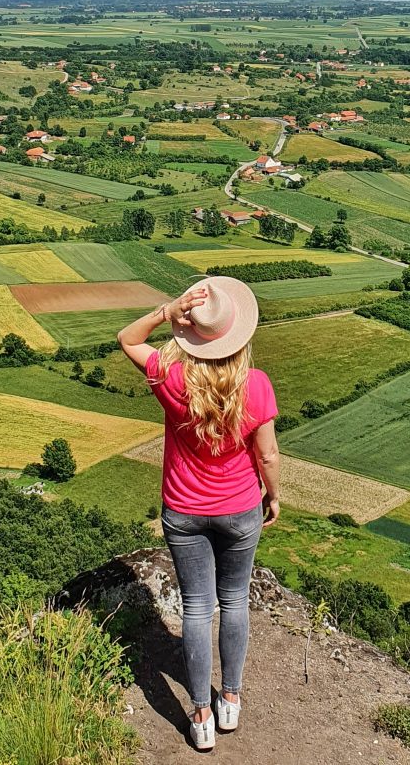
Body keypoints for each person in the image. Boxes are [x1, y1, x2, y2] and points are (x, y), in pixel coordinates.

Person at [118, 276, 281, 751]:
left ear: (193, 334)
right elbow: (268, 456)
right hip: (240, 508)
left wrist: (168, 311)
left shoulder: (170, 378)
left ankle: (201, 715)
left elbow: (128, 339)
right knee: (233, 602)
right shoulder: (255, 385)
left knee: (195, 608)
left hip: (183, 511)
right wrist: (273, 496)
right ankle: (230, 700)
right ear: (239, 336)